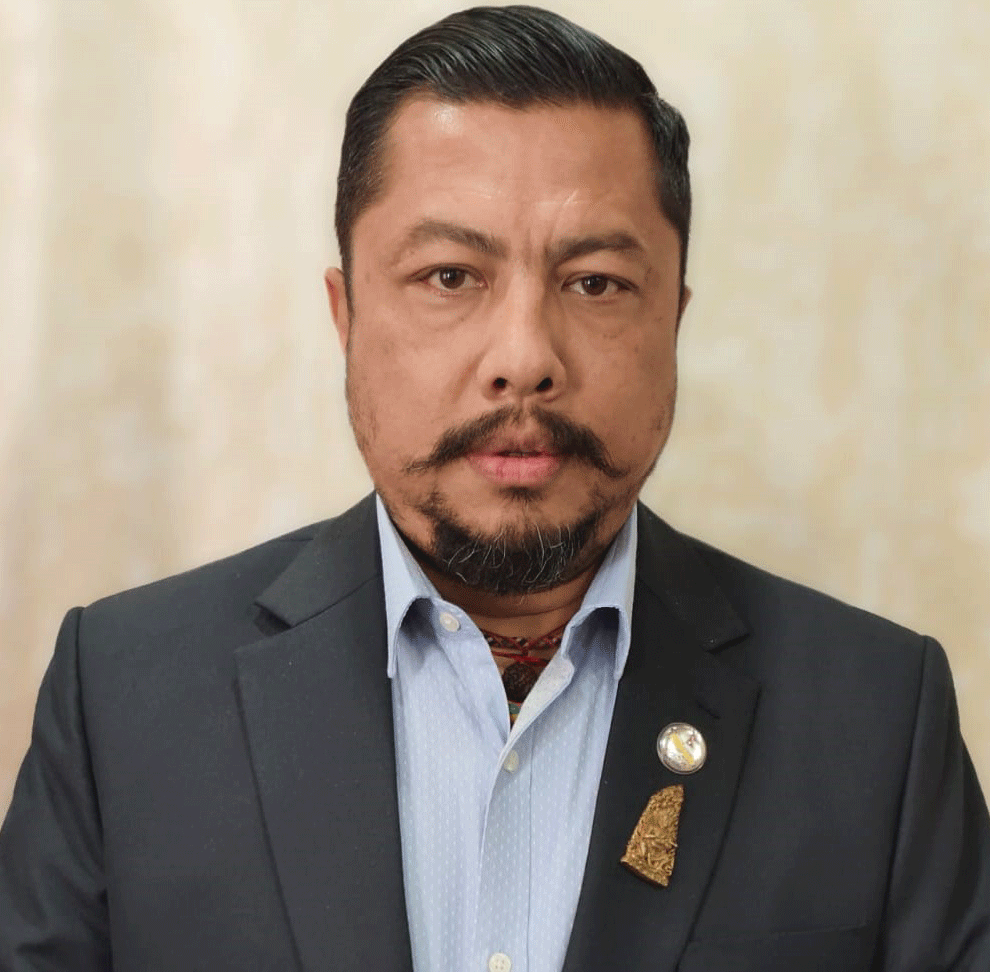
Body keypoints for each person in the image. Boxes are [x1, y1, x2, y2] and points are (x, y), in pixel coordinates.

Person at [1, 5, 988, 971]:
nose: (524, 358)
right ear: (346, 315)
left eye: (595, 282)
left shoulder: (875, 721)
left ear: (674, 321)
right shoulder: (124, 699)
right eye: (449, 276)